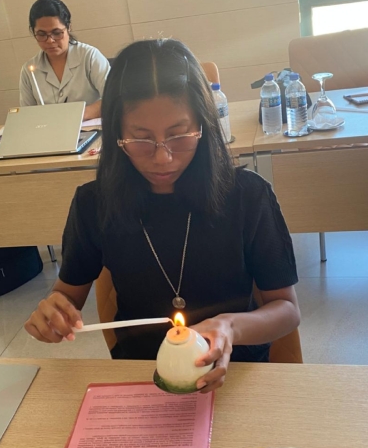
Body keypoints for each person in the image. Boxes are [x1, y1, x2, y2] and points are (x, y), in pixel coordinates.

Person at [25, 39, 300, 393]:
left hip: (236, 371)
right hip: (141, 374)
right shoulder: (94, 204)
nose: (163, 158)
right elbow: (66, 297)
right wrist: (53, 314)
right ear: (116, 133)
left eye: (179, 135)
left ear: (203, 125)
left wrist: (230, 327)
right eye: (141, 139)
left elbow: (286, 309)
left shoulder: (248, 196)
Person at [19, 0, 110, 120]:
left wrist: (76, 115)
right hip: (50, 129)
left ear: (68, 27)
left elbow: (114, 98)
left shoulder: (89, 56)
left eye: (57, 33)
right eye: (41, 34)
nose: (50, 41)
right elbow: (27, 115)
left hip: (88, 127)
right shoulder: (29, 71)